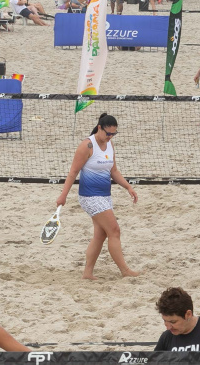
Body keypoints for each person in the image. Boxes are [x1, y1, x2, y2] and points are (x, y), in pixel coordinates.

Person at [56, 113, 139, 279]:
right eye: (108, 133)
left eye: (113, 134)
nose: (110, 137)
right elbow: (73, 172)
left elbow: (113, 171)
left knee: (100, 235)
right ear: (99, 128)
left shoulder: (109, 145)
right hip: (89, 196)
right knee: (114, 230)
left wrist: (128, 187)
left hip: (105, 196)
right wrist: (63, 196)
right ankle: (125, 271)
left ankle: (87, 273)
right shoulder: (87, 146)